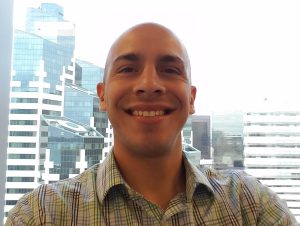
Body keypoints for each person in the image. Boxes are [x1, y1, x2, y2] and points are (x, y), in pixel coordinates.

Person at [5, 22, 297, 226]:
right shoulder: (43, 214)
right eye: (128, 69)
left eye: (170, 70)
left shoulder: (251, 206)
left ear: (191, 98)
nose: (149, 84)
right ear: (102, 96)